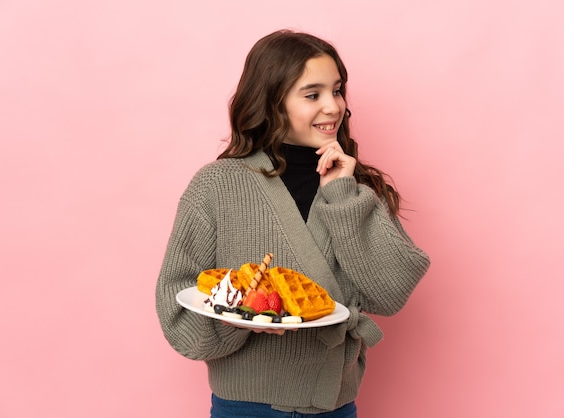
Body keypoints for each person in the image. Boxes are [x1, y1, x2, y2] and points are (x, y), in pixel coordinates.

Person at [156, 29, 430, 417]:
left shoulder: (356, 186)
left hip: (334, 404)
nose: (333, 107)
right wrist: (243, 319)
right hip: (246, 405)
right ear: (272, 102)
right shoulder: (216, 186)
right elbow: (177, 302)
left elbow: (391, 293)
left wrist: (343, 196)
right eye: (312, 94)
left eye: (337, 91)